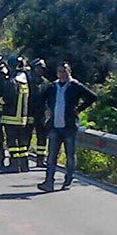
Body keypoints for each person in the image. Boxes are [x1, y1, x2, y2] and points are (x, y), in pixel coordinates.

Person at [37, 62, 97, 192]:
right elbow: (40, 99)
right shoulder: (53, 86)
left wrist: (79, 109)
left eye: (64, 71)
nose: (62, 74)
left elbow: (92, 97)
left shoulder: (75, 86)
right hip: (54, 126)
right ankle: (49, 182)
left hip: (69, 127)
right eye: (59, 71)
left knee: (70, 155)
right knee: (52, 155)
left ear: (69, 71)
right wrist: (47, 109)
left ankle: (68, 180)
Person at [0, 57, 29, 173]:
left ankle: (14, 164)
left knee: (12, 143)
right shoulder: (25, 81)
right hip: (22, 118)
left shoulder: (11, 81)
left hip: (10, 118)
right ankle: (24, 165)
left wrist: (0, 100)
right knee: (22, 144)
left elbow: (7, 99)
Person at [27, 58, 51, 168]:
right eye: (38, 68)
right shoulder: (27, 81)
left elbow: (49, 100)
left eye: (42, 68)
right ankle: (23, 160)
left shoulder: (46, 83)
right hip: (28, 114)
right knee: (26, 137)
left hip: (41, 115)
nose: (40, 70)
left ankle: (40, 160)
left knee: (42, 138)